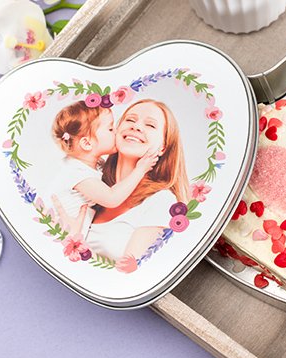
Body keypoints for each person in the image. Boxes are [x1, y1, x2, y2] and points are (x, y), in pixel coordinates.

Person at [54, 99, 189, 271]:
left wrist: (73, 243)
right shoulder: (91, 182)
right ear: (115, 132)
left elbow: (125, 276)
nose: (137, 127)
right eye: (130, 120)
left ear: (163, 147)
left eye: (150, 125)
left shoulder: (161, 202)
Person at [49, 100, 158, 237]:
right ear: (87, 143)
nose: (116, 131)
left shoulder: (92, 164)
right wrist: (140, 170)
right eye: (110, 129)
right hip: (62, 236)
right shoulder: (76, 173)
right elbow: (111, 198)